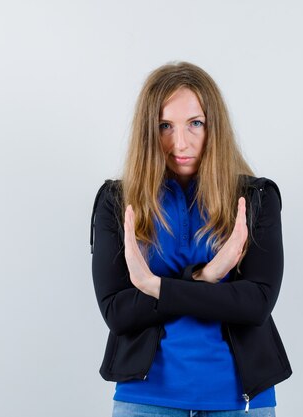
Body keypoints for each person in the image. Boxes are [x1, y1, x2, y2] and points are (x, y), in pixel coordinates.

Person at [90, 61, 292, 417]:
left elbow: (256, 303)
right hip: (146, 399)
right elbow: (117, 313)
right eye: (165, 126)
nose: (179, 142)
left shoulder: (255, 198)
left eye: (194, 124)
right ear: (148, 132)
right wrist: (207, 278)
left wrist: (153, 285)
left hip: (240, 402)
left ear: (214, 126)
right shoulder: (118, 202)